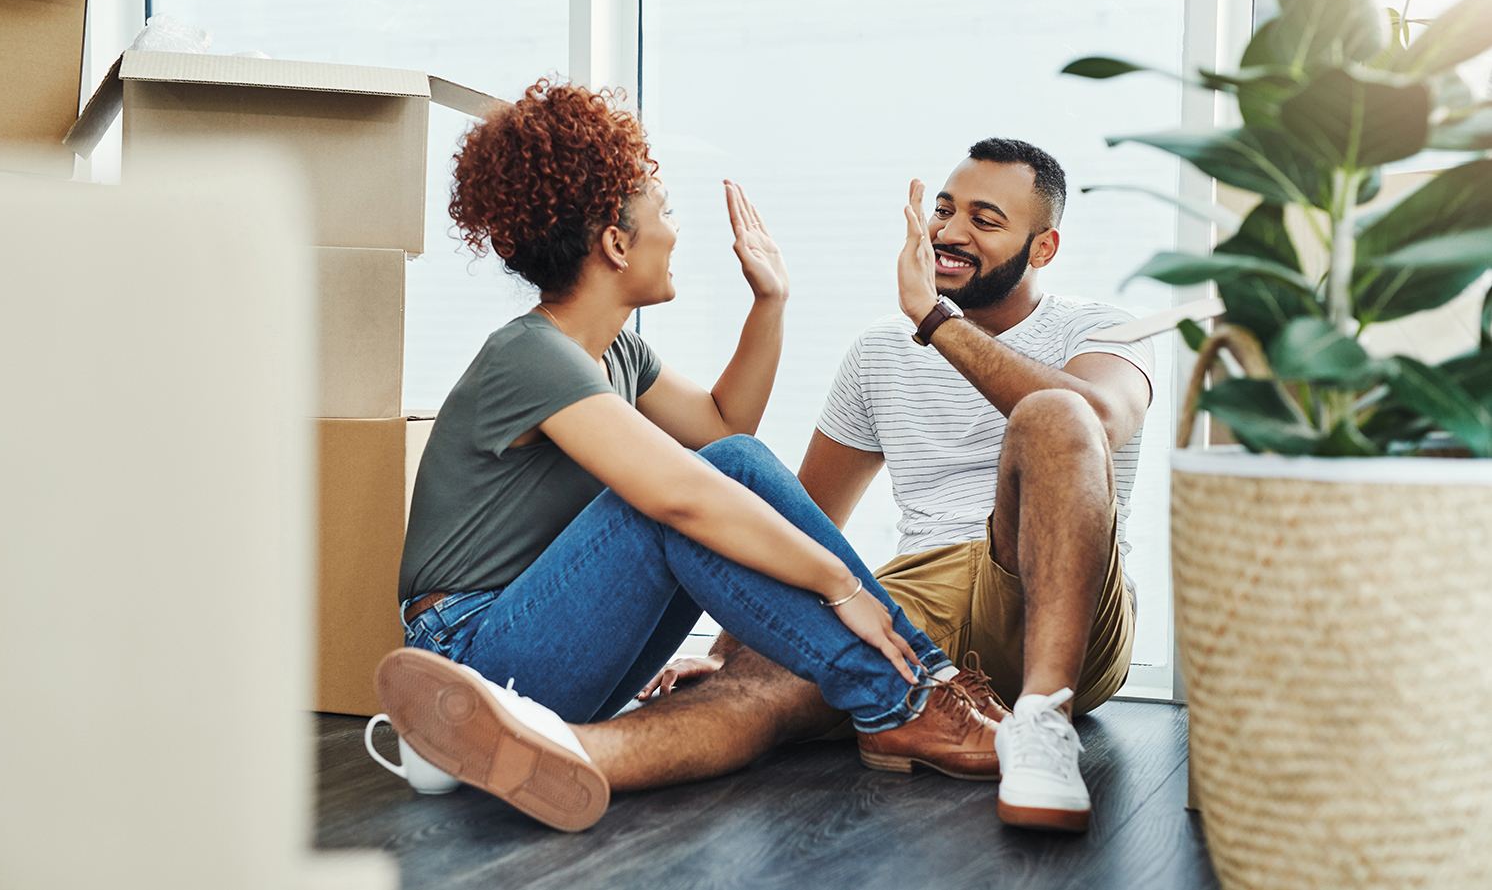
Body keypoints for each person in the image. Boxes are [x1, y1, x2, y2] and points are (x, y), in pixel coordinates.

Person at [409, 136, 1154, 835]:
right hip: (472, 640)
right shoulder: (530, 353)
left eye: (984, 219)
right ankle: (912, 696)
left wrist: (771, 300)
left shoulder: (619, 354)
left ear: (1043, 243)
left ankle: (512, 738)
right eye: (665, 214)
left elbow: (723, 425)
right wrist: (835, 589)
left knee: (728, 465)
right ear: (614, 243)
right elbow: (690, 494)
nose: (676, 231)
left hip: (532, 640)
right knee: (727, 567)